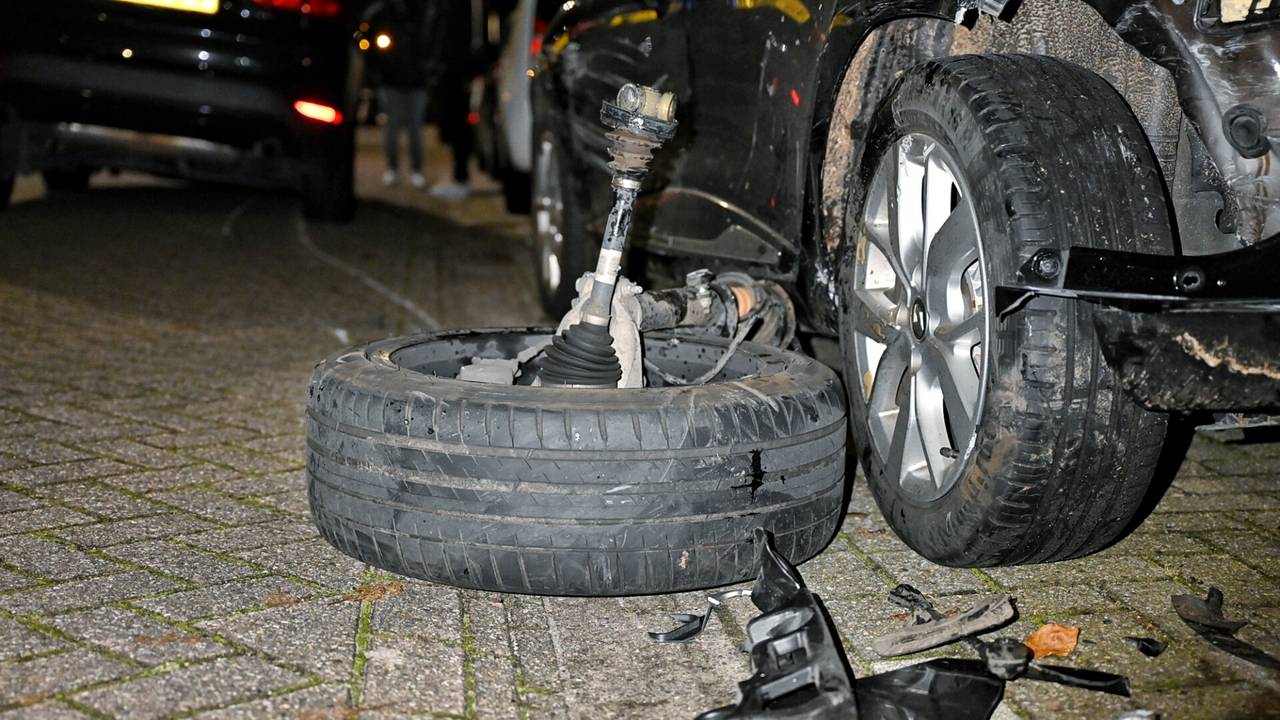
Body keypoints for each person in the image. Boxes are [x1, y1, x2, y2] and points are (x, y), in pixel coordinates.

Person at [364, 0, 443, 190]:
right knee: (392, 127)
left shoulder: (423, 10)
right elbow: (366, 41)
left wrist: (428, 67)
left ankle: (417, 170)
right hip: (390, 80)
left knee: (415, 128)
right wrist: (376, 72)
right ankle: (392, 169)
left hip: (417, 81)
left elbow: (433, 39)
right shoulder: (381, 12)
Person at [428, 0, 485, 201]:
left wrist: (473, 66)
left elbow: (468, 31)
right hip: (449, 68)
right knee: (451, 126)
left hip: (459, 69)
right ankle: (458, 177)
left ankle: (461, 179)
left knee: (459, 126)